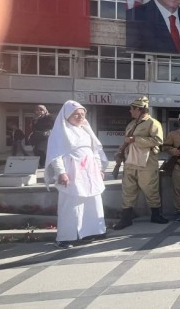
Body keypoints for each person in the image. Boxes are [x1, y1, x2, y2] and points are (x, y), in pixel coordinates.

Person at [44, 100, 107, 248]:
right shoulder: (60, 131)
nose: (79, 117)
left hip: (89, 172)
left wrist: (99, 168)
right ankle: (65, 238)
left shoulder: (85, 129)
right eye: (75, 114)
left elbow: (94, 150)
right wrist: (61, 172)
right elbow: (55, 155)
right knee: (70, 205)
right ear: (67, 116)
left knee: (92, 201)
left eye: (82, 114)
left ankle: (89, 232)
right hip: (72, 172)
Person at [113, 96, 168, 230]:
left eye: (132, 109)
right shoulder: (131, 124)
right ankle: (126, 218)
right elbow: (126, 141)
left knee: (151, 189)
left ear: (138, 109)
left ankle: (156, 215)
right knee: (128, 190)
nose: (130, 111)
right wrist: (119, 154)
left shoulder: (153, 123)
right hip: (130, 162)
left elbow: (158, 140)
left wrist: (136, 139)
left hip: (146, 163)